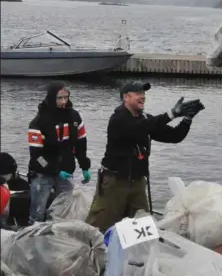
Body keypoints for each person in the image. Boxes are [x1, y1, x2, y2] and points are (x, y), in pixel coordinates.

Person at [85, 81, 205, 233]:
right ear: (126, 97)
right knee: (101, 225)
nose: (142, 97)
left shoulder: (146, 119)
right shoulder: (118, 119)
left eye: (143, 93)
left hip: (138, 183)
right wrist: (171, 114)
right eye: (138, 93)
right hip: (115, 182)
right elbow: (138, 129)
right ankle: (91, 252)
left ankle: (136, 255)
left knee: (141, 226)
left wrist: (187, 119)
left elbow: (174, 136)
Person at [27, 81, 91, 223]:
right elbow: (36, 157)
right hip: (42, 174)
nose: (63, 101)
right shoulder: (38, 123)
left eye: (66, 97)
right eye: (59, 98)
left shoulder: (74, 117)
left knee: (64, 213)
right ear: (51, 98)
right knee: (37, 214)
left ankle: (60, 240)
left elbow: (81, 144)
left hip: (66, 172)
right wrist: (54, 169)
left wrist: (84, 166)